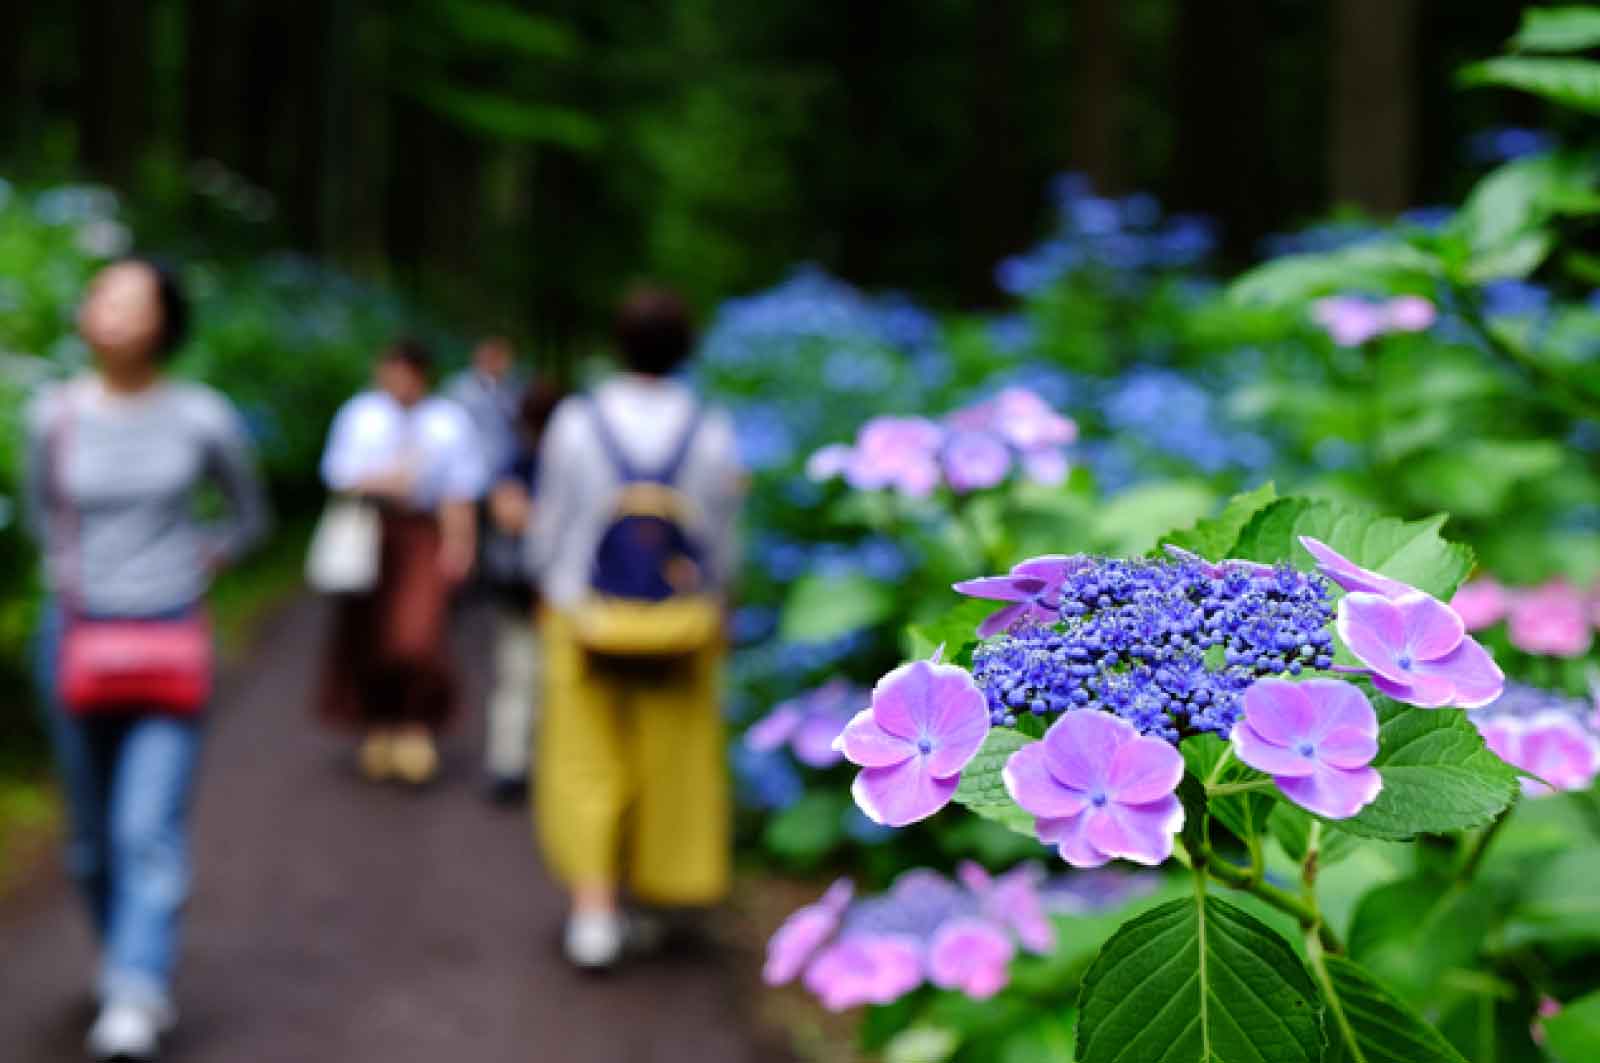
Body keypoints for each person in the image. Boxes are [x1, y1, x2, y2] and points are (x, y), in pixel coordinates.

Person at [22, 258, 270, 1061]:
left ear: (165, 321)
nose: (115, 311)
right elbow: (39, 514)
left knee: (145, 828)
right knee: (89, 838)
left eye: (135, 300)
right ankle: (119, 954)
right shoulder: (49, 415)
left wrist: (204, 558)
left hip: (169, 636)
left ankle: (136, 986)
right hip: (76, 636)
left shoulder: (201, 417)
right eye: (102, 295)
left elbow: (248, 515)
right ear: (86, 317)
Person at [528, 287, 744, 969]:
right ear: (685, 348)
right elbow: (723, 535)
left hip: (585, 618)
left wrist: (545, 588)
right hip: (680, 627)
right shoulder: (711, 427)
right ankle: (654, 900)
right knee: (671, 763)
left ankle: (592, 913)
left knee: (585, 763)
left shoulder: (574, 420)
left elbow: (550, 523)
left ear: (617, 343)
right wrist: (722, 605)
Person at [315, 339, 484, 786]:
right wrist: (385, 480)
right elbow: (338, 474)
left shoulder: (447, 421)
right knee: (366, 632)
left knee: (417, 635)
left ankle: (415, 726)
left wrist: (460, 542)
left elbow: (459, 489)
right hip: (369, 532)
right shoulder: (361, 415)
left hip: (422, 532)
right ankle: (378, 725)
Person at [480, 380, 561, 804]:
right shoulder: (523, 458)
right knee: (522, 674)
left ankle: (519, 764)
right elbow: (507, 511)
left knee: (525, 676)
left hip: (541, 587)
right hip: (528, 587)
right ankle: (512, 765)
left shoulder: (527, 457)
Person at [444, 335, 522, 481]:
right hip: (466, 471)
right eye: (493, 356)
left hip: (507, 471)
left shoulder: (516, 389)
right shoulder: (458, 388)